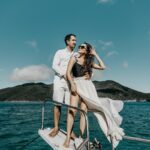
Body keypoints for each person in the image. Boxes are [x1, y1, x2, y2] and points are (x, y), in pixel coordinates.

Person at [63, 42, 125, 149]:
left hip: (87, 87)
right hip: (76, 85)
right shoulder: (74, 58)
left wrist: (95, 54)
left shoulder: (89, 62)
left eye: (82, 47)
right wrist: (72, 84)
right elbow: (68, 73)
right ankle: (68, 137)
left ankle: (81, 137)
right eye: (79, 46)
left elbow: (103, 67)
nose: (79, 47)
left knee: (83, 110)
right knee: (72, 111)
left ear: (87, 51)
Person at [49, 34, 77, 137]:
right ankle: (56, 127)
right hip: (59, 81)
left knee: (71, 107)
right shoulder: (59, 52)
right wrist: (64, 75)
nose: (75, 42)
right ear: (67, 41)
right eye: (73, 40)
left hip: (71, 83)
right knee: (57, 105)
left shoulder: (76, 55)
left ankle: (70, 131)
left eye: (75, 40)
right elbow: (54, 66)